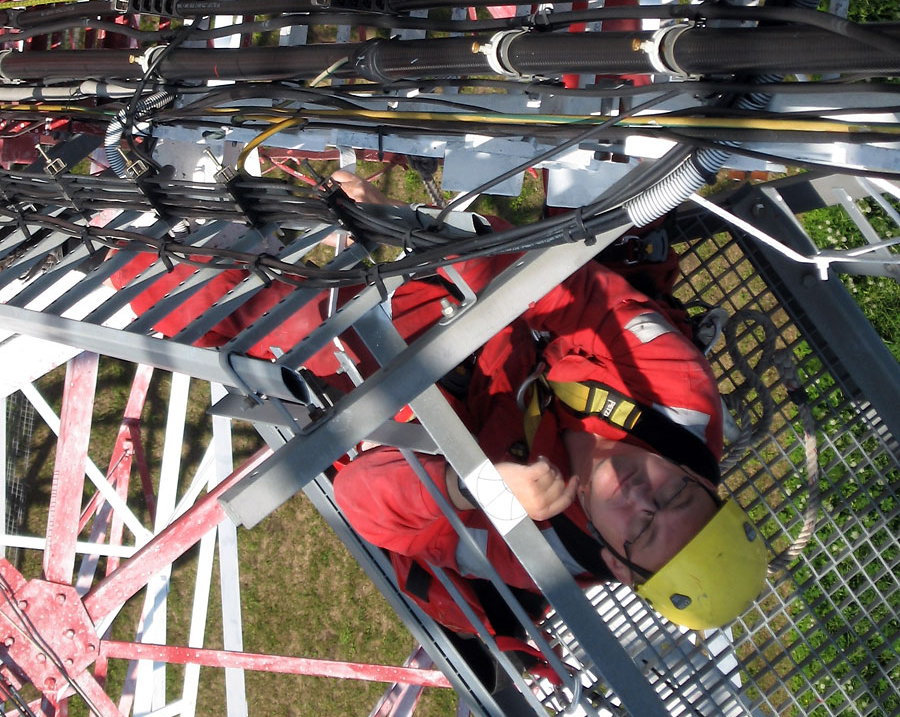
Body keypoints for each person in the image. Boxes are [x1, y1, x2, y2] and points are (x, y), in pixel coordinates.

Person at [108, 170, 767, 636]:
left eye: (642, 529)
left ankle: (112, 225)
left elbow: (367, 501)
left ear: (619, 564)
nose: (643, 495)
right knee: (603, 170)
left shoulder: (536, 555)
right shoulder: (679, 398)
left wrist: (469, 487)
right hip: (499, 316)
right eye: (675, 494)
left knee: (285, 328)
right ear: (699, 478)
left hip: (443, 385)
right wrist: (419, 234)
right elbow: (571, 292)